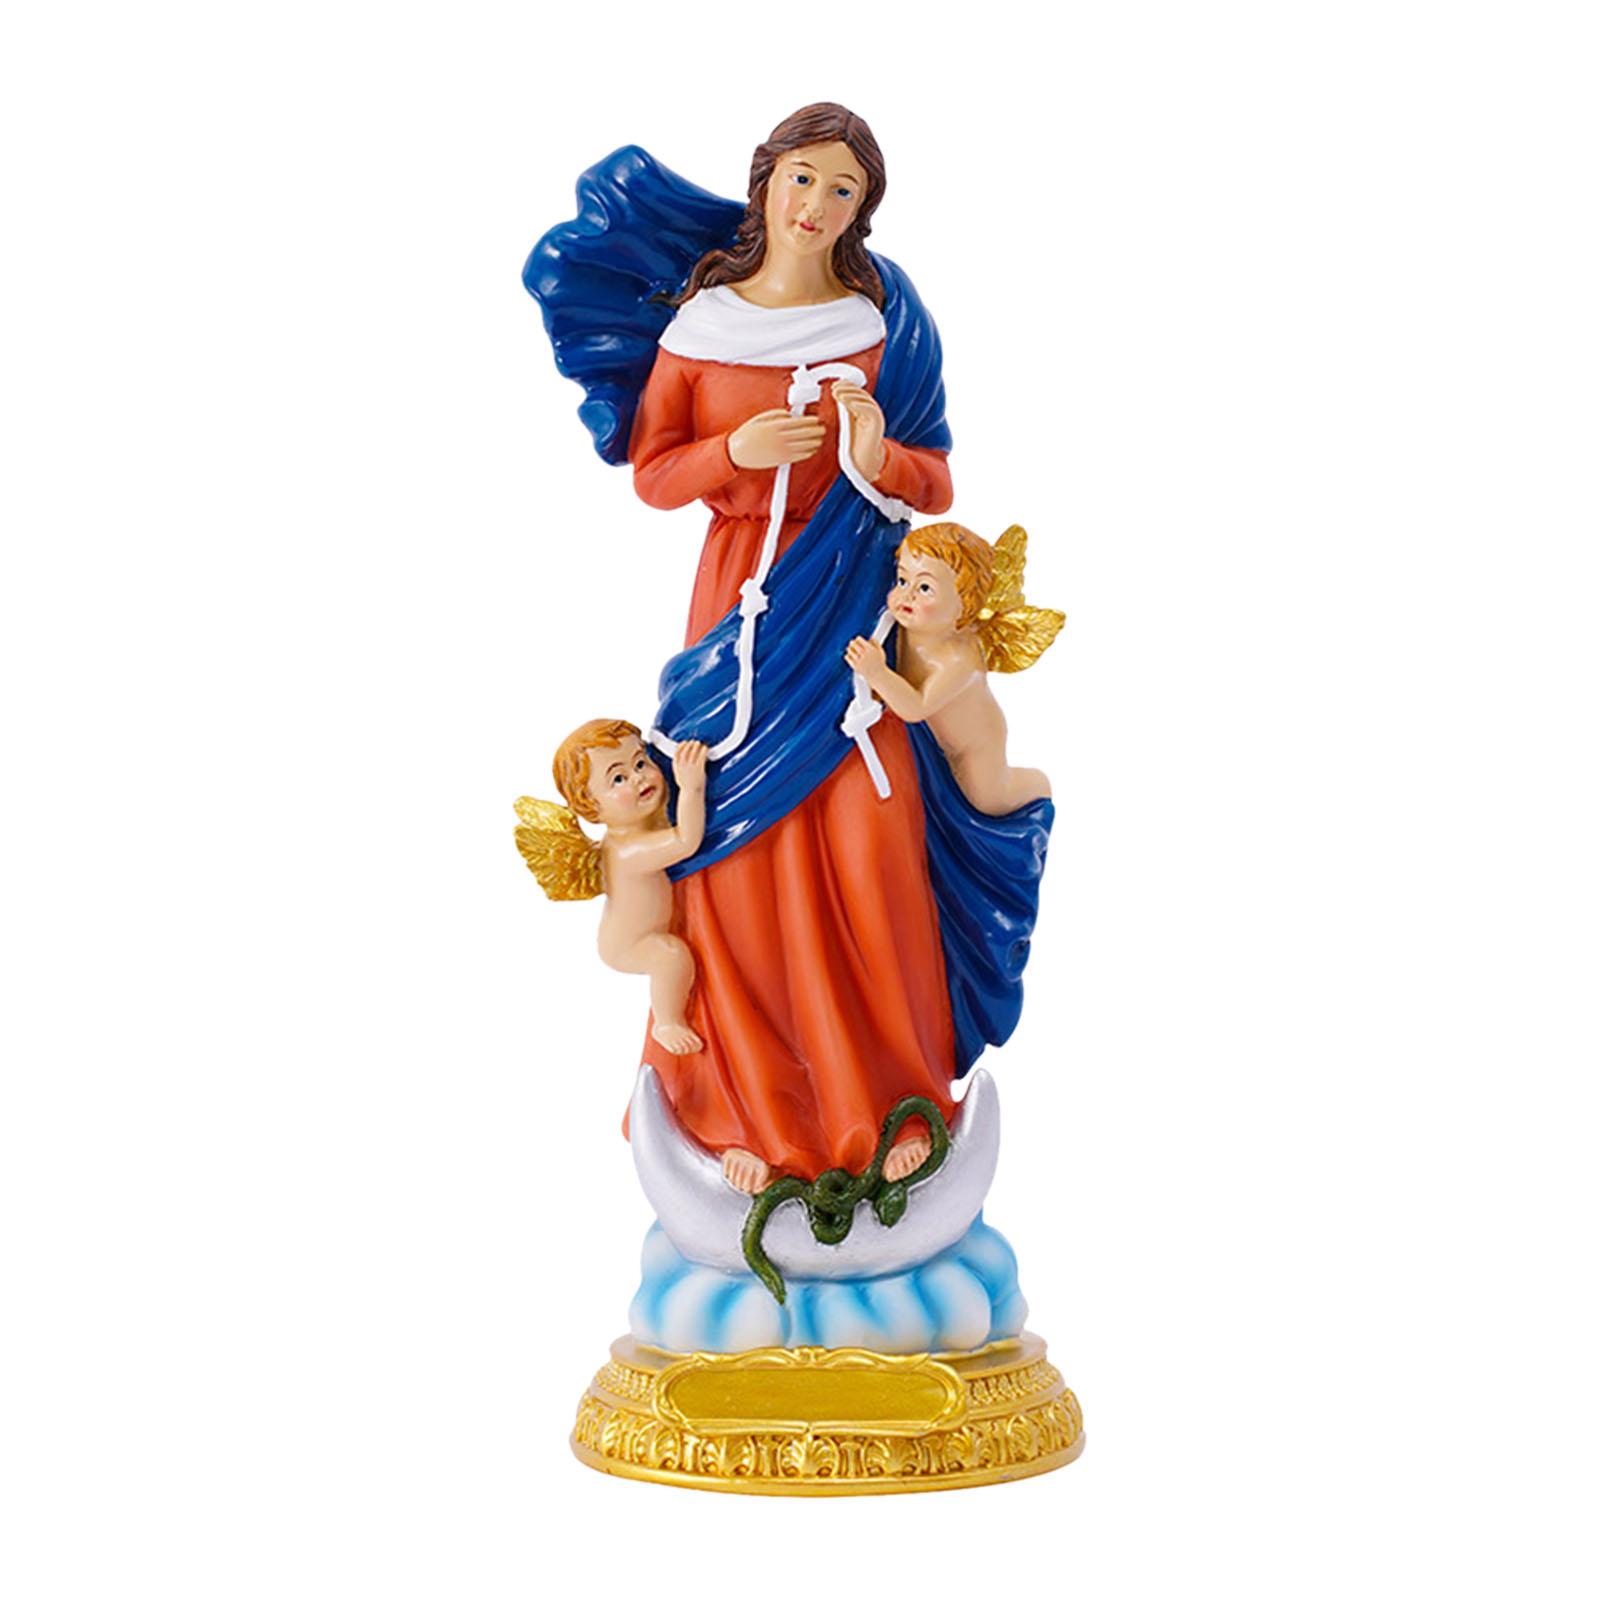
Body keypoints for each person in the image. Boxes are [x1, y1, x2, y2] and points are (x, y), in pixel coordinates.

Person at [626, 104, 956, 1193]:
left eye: (842, 190)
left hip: (854, 602)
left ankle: (892, 1103)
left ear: (863, 211)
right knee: (733, 849)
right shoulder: (701, 329)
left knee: (871, 842)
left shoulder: (881, 321)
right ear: (766, 182)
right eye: (802, 179)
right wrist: (736, 448)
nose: (816, 206)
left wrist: (879, 453)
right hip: (741, 607)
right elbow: (655, 472)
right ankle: (741, 1110)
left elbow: (934, 479)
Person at [844, 523, 1054, 817]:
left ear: (964, 605)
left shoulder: (957, 659)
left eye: (925, 588)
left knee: (988, 799)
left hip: (972, 747)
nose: (906, 595)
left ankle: (1037, 783)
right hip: (934, 743)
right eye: (902, 580)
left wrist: (877, 673)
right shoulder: (906, 623)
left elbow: (915, 707)